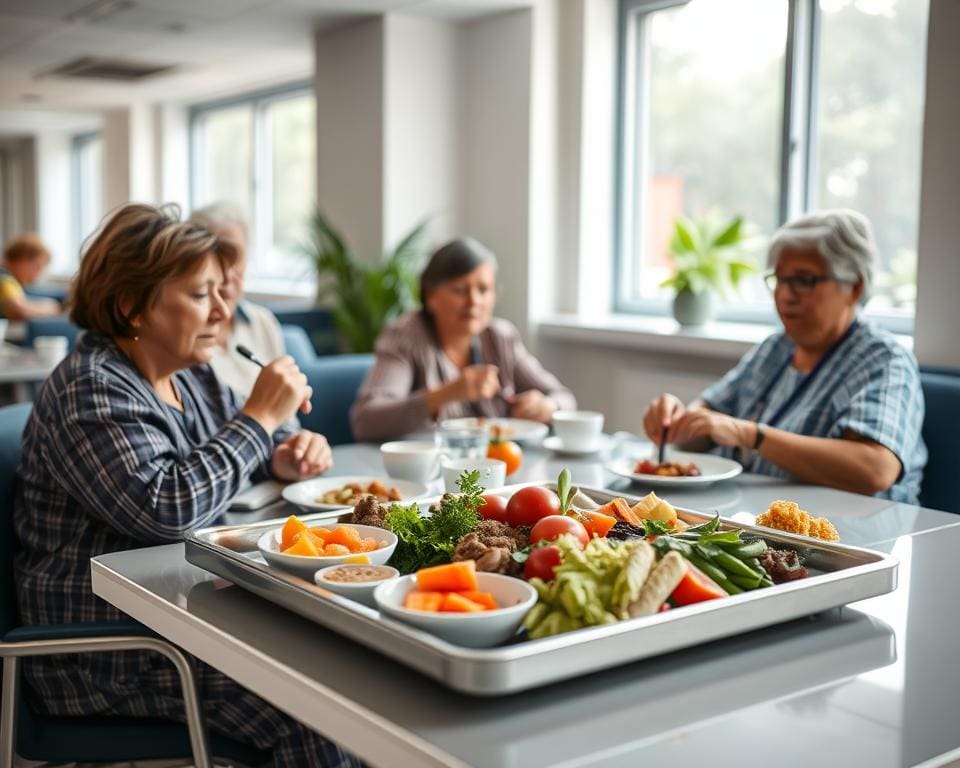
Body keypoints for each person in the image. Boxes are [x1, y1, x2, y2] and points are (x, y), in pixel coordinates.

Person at [13, 203, 357, 767]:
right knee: (322, 714)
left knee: (347, 677)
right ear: (132, 306)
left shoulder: (188, 374)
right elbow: (167, 507)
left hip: (182, 618)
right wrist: (260, 420)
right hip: (108, 657)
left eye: (223, 292)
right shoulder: (92, 389)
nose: (224, 311)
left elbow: (249, 447)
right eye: (201, 295)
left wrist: (286, 453)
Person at [643, 209, 926, 504]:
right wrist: (676, 421)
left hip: (852, 534)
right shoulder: (775, 348)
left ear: (854, 286)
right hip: (758, 521)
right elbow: (708, 421)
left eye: (803, 280)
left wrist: (750, 434)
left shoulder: (885, 360)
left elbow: (876, 470)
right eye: (779, 280)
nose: (785, 295)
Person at [351, 236, 576, 442]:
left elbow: (564, 397)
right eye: (459, 290)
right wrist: (446, 394)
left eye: (484, 289)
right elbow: (366, 420)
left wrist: (547, 406)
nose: (474, 301)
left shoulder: (500, 337)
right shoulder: (405, 338)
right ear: (430, 296)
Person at [189, 202, 286, 399]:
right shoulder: (184, 334)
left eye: (236, 258)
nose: (228, 274)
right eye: (217, 259)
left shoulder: (263, 321)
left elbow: (287, 409)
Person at [0, 233, 62, 320]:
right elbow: (20, 312)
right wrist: (51, 307)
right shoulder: (5, 281)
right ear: (22, 259)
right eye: (38, 267)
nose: (39, 274)